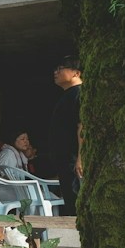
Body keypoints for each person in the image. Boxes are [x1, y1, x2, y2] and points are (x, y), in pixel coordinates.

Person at [47, 57, 82, 214]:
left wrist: (81, 157)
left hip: (73, 158)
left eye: (61, 68)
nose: (56, 72)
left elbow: (82, 127)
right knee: (69, 198)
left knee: (76, 201)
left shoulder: (79, 94)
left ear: (76, 73)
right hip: (65, 158)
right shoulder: (67, 95)